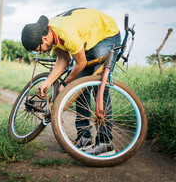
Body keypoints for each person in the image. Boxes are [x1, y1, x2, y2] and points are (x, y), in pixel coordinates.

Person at [21, 8, 121, 155]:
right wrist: (47, 83)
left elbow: (80, 64)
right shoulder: (51, 34)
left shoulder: (65, 33)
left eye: (38, 49)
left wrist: (65, 83)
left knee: (99, 87)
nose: (39, 52)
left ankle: (105, 143)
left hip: (105, 35)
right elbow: (64, 59)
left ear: (44, 39)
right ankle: (84, 139)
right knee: (78, 88)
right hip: (86, 40)